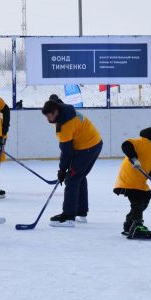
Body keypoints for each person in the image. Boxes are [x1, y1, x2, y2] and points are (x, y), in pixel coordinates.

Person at [41, 97, 103, 227]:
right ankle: (81, 212)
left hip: (87, 148)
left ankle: (68, 216)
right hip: (95, 143)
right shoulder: (66, 110)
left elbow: (67, 153)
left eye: (49, 116)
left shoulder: (64, 126)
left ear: (56, 112)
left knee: (72, 179)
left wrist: (62, 171)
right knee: (79, 177)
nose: (48, 119)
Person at [113, 126, 151, 240]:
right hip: (129, 178)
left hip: (139, 182)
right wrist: (134, 158)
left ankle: (129, 224)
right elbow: (126, 144)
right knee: (138, 201)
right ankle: (137, 226)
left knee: (146, 196)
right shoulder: (143, 142)